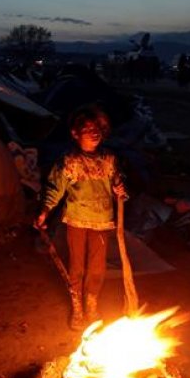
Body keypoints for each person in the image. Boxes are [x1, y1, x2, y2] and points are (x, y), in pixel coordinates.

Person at [34, 105, 126, 330]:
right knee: (77, 267)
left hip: (103, 220)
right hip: (76, 219)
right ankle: (77, 307)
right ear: (75, 134)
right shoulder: (69, 161)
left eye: (97, 129)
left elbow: (117, 182)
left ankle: (91, 304)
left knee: (97, 268)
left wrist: (120, 189)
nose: (94, 133)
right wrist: (45, 211)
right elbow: (55, 188)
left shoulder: (109, 159)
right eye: (87, 129)